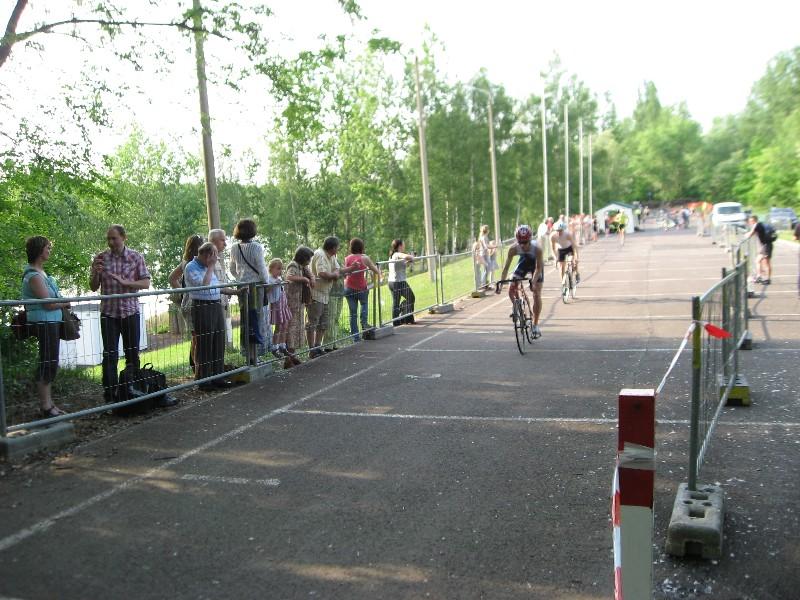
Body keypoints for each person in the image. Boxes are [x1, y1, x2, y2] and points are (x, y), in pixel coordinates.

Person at [90, 225, 153, 404]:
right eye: (108, 239)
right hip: (109, 313)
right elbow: (93, 287)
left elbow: (146, 283)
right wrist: (96, 273)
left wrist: (126, 283)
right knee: (110, 355)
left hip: (130, 312)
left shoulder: (136, 257)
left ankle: (133, 391)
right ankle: (110, 395)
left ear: (124, 237)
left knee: (132, 354)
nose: (110, 242)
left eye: (114, 238)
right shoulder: (100, 258)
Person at [21, 236, 71, 418]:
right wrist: (65, 303)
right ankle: (46, 406)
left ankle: (49, 404)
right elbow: (48, 304)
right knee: (47, 362)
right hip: (45, 322)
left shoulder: (41, 273)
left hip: (51, 322)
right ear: (39, 250)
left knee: (50, 362)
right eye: (47, 248)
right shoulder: (33, 276)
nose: (49, 251)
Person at [183, 242, 236, 390]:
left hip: (215, 305)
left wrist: (237, 292)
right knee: (205, 343)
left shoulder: (208, 267)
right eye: (214, 256)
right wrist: (211, 266)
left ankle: (218, 377)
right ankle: (204, 380)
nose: (216, 259)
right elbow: (204, 285)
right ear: (207, 255)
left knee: (219, 341)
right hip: (202, 306)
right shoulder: (191, 267)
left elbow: (217, 287)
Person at [229, 219, 270, 357]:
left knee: (246, 319)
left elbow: (232, 269)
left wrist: (241, 278)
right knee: (257, 319)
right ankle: (256, 354)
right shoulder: (257, 247)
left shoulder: (234, 248)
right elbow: (262, 269)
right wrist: (266, 282)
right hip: (256, 287)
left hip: (242, 287)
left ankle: (248, 354)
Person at [308, 236, 354, 357]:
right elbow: (322, 273)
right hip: (316, 294)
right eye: (337, 247)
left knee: (323, 323)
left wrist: (334, 274)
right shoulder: (320, 255)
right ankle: (312, 350)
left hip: (325, 294)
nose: (338, 249)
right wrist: (333, 275)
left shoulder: (331, 256)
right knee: (313, 322)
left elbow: (337, 269)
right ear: (333, 247)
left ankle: (318, 346)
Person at [498, 225, 544, 338]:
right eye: (520, 242)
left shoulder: (537, 248)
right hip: (523, 262)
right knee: (511, 288)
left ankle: (535, 325)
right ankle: (520, 311)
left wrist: (533, 281)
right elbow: (506, 268)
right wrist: (501, 283)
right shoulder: (513, 249)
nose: (522, 245)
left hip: (535, 266)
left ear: (530, 240)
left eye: (525, 242)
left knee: (536, 292)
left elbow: (538, 268)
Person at [169, 234, 203, 373]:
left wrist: (183, 292)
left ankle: (196, 366)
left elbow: (172, 278)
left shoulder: (185, 262)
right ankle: (197, 368)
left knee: (196, 337)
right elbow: (172, 278)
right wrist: (185, 291)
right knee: (197, 338)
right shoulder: (192, 263)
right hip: (192, 304)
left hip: (189, 302)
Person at [343, 238, 381, 341]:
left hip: (349, 288)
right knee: (364, 304)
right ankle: (364, 324)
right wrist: (378, 275)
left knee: (352, 314)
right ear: (361, 247)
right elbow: (375, 270)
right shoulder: (365, 258)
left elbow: (346, 272)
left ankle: (355, 337)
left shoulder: (347, 258)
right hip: (361, 288)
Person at [284, 246, 314, 368]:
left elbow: (311, 275)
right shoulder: (293, 265)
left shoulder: (303, 267)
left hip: (299, 303)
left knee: (296, 330)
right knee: (291, 330)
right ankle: (288, 359)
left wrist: (310, 278)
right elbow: (289, 277)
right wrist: (304, 279)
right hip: (292, 303)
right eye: (308, 259)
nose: (309, 261)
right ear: (303, 258)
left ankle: (292, 355)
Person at [208, 228, 233, 343]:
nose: (226, 244)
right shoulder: (208, 259)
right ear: (213, 241)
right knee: (213, 339)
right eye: (222, 240)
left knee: (219, 338)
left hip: (220, 304)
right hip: (213, 306)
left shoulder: (217, 259)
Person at [266, 258, 294, 360]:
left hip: (283, 304)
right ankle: (275, 347)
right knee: (278, 326)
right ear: (271, 269)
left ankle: (283, 346)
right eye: (278, 269)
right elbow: (267, 290)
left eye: (281, 269)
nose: (280, 271)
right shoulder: (269, 279)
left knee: (285, 325)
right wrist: (274, 284)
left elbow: (281, 287)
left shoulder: (279, 278)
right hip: (276, 305)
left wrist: (284, 282)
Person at [388, 239, 416, 326]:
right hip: (398, 282)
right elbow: (407, 256)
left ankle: (399, 321)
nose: (404, 246)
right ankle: (405, 317)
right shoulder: (397, 254)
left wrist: (408, 262)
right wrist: (412, 257)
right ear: (400, 246)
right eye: (403, 244)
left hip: (392, 282)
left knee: (396, 302)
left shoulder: (393, 255)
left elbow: (400, 266)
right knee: (411, 297)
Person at [744, 215, 773, 284]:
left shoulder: (757, 225)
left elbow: (750, 234)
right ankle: (759, 277)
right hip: (764, 246)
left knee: (766, 263)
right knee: (758, 261)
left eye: (751, 221)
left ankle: (768, 279)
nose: (750, 222)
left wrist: (744, 235)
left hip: (766, 245)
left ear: (754, 220)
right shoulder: (759, 225)